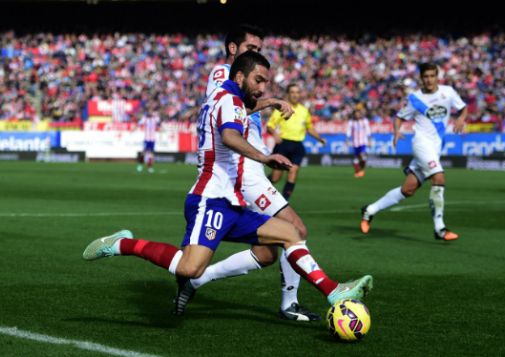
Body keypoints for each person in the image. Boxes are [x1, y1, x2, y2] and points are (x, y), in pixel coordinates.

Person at [82, 51, 373, 315]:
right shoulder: (227, 100)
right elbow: (230, 136)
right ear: (239, 76)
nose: (262, 88)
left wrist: (269, 102)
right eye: (258, 80)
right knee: (189, 268)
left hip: (231, 203)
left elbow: (243, 111)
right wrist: (264, 157)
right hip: (210, 199)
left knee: (290, 233)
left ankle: (333, 291)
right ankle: (122, 243)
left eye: (266, 83)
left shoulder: (227, 100)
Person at [179, 25, 321, 322]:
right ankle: (290, 304)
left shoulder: (248, 85)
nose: (257, 54)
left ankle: (196, 280)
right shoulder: (222, 73)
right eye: (252, 49)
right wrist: (271, 102)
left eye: (259, 49)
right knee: (296, 231)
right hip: (244, 170)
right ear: (233, 49)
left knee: (268, 253)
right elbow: (229, 106)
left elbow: (244, 107)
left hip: (251, 167)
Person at [360, 63, 467, 241]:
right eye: (426, 77)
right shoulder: (415, 98)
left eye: (432, 76)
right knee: (439, 177)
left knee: (408, 189)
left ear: (437, 76)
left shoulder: (448, 92)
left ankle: (369, 210)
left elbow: (463, 108)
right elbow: (400, 117)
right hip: (421, 144)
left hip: (435, 147)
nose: (429, 80)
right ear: (421, 78)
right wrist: (396, 131)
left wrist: (460, 119)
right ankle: (439, 228)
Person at [267, 84, 327, 199]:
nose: (295, 95)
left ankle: (284, 202)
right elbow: (270, 126)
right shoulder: (282, 108)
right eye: (292, 92)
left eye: (297, 92)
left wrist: (319, 138)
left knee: (293, 171)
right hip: (283, 145)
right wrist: (274, 134)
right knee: (275, 178)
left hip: (297, 146)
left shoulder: (304, 111)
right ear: (288, 94)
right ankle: (259, 191)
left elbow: (309, 128)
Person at [346, 109, 371, 178]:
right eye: (356, 114)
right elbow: (348, 131)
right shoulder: (351, 122)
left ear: (360, 114)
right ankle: (358, 172)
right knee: (356, 159)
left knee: (362, 156)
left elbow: (368, 130)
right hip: (355, 142)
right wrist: (347, 139)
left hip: (363, 142)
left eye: (358, 114)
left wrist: (369, 140)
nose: (357, 115)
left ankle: (361, 170)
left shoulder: (364, 121)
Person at [137, 108, 161, 173]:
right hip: (146, 139)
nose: (150, 113)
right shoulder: (145, 119)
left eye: (151, 112)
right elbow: (139, 123)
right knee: (143, 153)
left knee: (151, 154)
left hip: (152, 139)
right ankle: (140, 166)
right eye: (149, 112)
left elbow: (159, 122)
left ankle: (149, 167)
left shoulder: (155, 119)